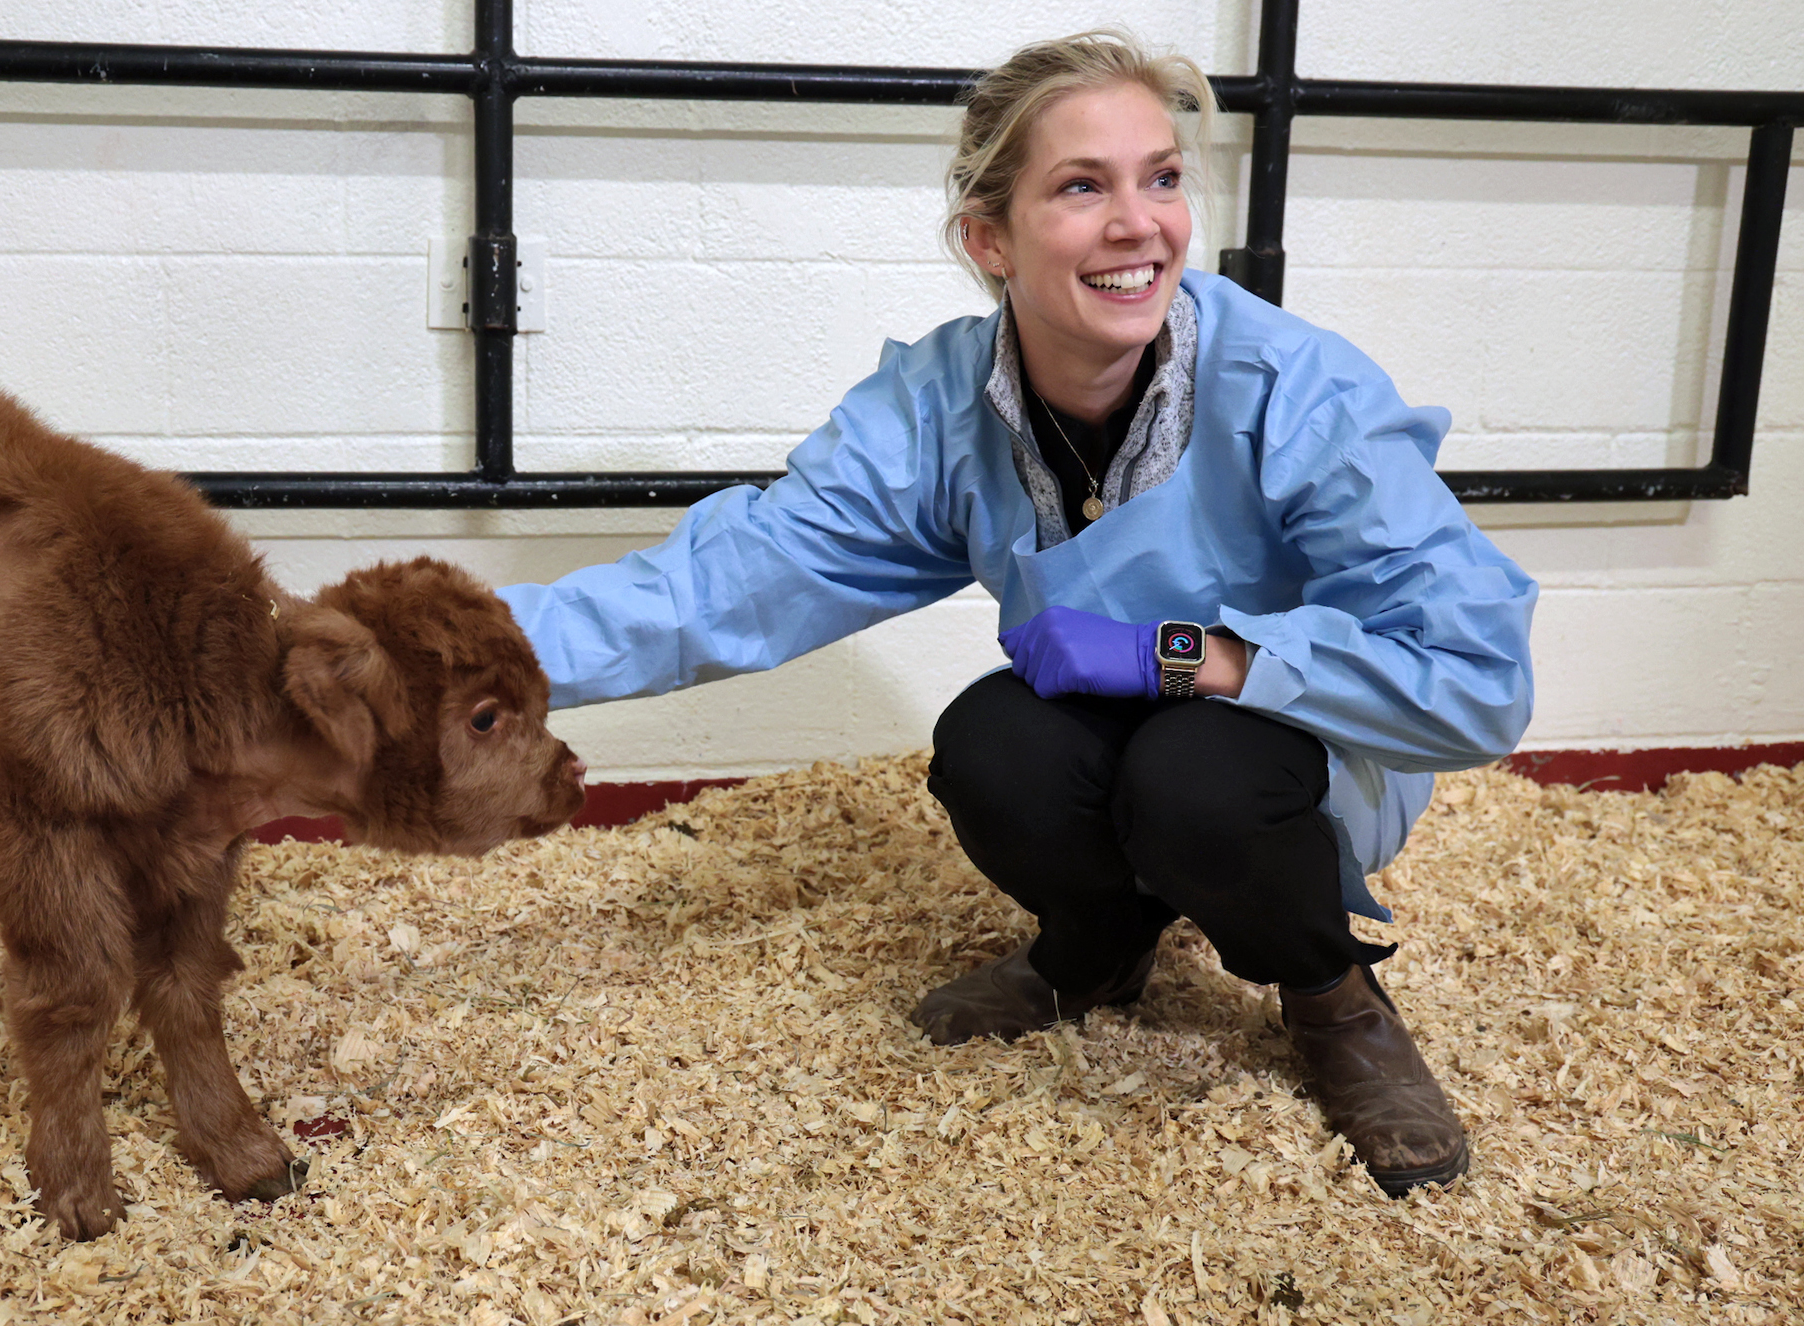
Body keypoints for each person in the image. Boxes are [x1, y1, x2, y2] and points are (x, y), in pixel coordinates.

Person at [495, 30, 1535, 1198]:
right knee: (994, 746)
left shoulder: (1302, 393)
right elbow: (723, 583)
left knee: (1196, 780)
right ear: (989, 239)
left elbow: (1478, 676)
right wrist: (455, 657)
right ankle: (1099, 947)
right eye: (1082, 187)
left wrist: (1182, 653)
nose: (1141, 224)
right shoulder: (939, 408)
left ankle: (1334, 997)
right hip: (1114, 733)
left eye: (1163, 178)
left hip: (1298, 755)